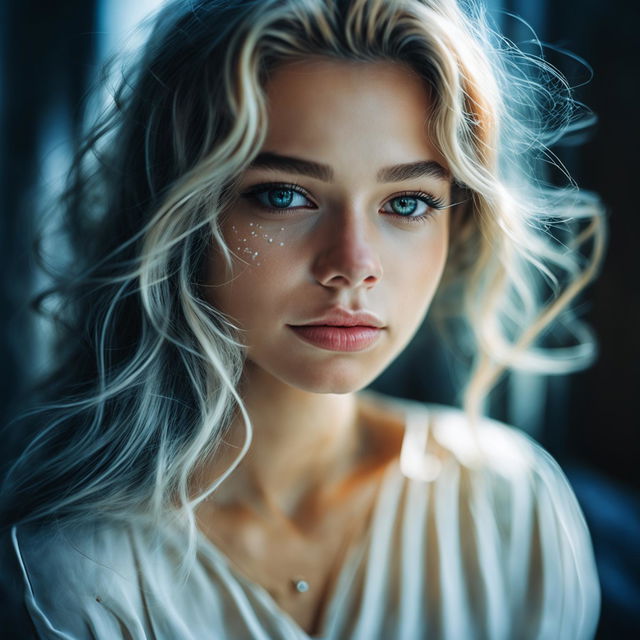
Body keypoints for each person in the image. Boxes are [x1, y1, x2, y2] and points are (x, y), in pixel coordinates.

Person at [0, 0, 606, 638]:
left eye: (406, 202)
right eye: (284, 195)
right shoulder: (74, 570)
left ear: (456, 225)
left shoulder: (510, 504)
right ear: (178, 217)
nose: (352, 265)